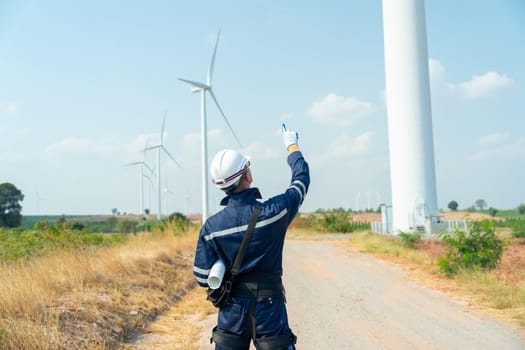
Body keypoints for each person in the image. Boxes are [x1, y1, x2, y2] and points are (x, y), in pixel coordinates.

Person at [193, 124, 310, 350]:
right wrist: (292, 146)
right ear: (247, 174)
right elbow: (301, 181)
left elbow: (202, 276)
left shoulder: (211, 228)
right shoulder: (275, 212)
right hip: (269, 307)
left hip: (231, 312)